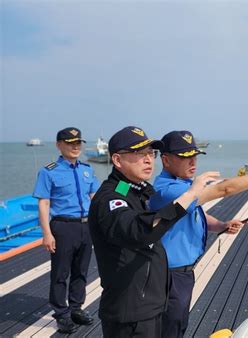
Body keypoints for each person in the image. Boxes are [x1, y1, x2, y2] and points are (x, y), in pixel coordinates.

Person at [149, 130, 248, 337]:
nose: (193, 161)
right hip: (170, 276)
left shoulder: (183, 185)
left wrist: (222, 225)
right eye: (185, 157)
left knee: (178, 325)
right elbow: (223, 190)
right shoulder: (168, 190)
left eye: (194, 156)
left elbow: (192, 213)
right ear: (165, 160)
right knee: (170, 329)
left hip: (182, 274)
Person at [88, 126, 220, 338]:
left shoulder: (131, 187)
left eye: (151, 153)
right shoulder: (109, 199)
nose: (149, 159)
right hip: (132, 311)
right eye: (140, 154)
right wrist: (191, 194)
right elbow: (137, 230)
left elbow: (131, 194)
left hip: (152, 302)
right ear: (117, 160)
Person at [33, 127, 99, 333]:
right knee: (60, 273)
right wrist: (47, 233)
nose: (75, 146)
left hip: (85, 226)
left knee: (81, 271)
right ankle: (61, 314)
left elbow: (95, 197)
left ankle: (76, 308)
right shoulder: (48, 171)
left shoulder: (87, 169)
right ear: (59, 145)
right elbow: (44, 204)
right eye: (70, 143)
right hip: (63, 227)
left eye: (78, 143)